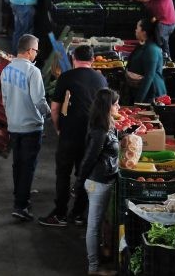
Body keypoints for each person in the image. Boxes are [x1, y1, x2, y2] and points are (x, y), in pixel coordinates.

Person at [38, 45, 107, 228]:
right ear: (92, 60)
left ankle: (60, 214)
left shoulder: (66, 77)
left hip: (69, 134)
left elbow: (54, 108)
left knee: (63, 173)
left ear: (74, 59)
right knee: (83, 174)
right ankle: (77, 215)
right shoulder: (101, 79)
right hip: (91, 137)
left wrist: (58, 127)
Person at [1, 34, 50, 221]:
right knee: (28, 166)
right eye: (36, 50)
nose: (36, 54)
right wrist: (47, 113)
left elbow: (4, 100)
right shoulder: (32, 71)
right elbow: (39, 100)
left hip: (14, 126)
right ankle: (21, 206)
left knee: (18, 164)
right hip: (31, 126)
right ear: (30, 51)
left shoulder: (6, 70)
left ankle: (19, 198)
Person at [73, 88, 120, 276]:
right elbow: (89, 158)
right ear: (108, 106)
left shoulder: (106, 125)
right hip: (97, 182)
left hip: (102, 180)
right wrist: (79, 182)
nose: (118, 106)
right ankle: (93, 267)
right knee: (93, 225)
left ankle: (98, 260)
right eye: (116, 103)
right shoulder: (100, 131)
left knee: (98, 224)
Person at [127, 18, 167, 103]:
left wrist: (138, 102)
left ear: (143, 32)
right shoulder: (143, 45)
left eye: (137, 28)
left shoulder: (151, 49)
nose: (135, 30)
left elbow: (149, 76)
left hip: (151, 94)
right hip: (143, 91)